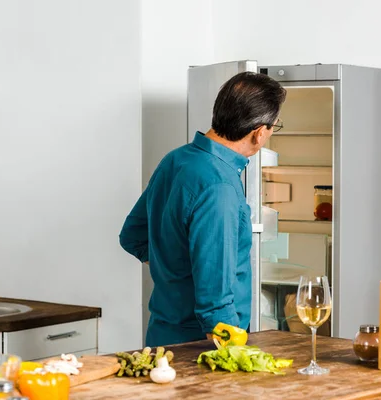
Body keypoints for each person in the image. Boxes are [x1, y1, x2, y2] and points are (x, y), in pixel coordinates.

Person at [120, 71, 286, 347]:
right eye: (274, 127)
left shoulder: (176, 159)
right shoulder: (219, 185)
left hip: (162, 337)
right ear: (259, 133)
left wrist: (176, 268)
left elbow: (132, 236)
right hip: (200, 349)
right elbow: (216, 307)